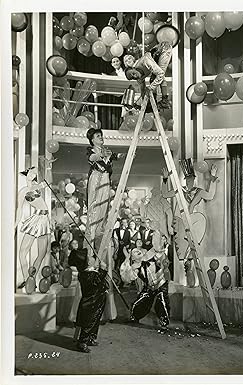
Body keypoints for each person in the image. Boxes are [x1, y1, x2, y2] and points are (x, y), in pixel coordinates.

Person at [161, 160, 218, 278]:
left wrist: (212, 177)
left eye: (191, 178)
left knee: (200, 220)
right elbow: (165, 194)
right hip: (181, 222)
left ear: (194, 179)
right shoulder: (179, 190)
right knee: (182, 251)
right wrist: (165, 180)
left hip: (193, 221)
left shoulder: (199, 192)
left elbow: (211, 195)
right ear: (185, 180)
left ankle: (191, 249)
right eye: (188, 179)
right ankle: (186, 265)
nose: (190, 181)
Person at [84, 128, 124, 268]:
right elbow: (92, 158)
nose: (101, 137)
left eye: (101, 135)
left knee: (103, 213)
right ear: (92, 140)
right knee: (94, 212)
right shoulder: (92, 150)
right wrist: (103, 154)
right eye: (98, 136)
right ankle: (90, 255)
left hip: (106, 180)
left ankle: (99, 256)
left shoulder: (107, 151)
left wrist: (123, 155)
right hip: (97, 179)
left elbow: (115, 156)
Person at [120, 229, 170, 328]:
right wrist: (131, 268)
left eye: (138, 251)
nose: (138, 251)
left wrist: (156, 234)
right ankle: (134, 316)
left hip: (161, 283)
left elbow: (157, 248)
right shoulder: (135, 267)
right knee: (140, 302)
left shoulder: (149, 256)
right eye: (135, 252)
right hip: (149, 286)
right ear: (132, 258)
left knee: (162, 301)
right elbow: (128, 278)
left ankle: (164, 322)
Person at [15, 166, 51, 289]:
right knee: (22, 253)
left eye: (34, 173)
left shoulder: (37, 186)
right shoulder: (23, 191)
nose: (32, 175)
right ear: (27, 174)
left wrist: (49, 167)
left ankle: (32, 280)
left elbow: (48, 182)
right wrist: (15, 224)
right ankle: (26, 279)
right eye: (31, 173)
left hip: (45, 220)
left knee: (42, 253)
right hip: (36, 220)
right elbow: (19, 209)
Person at [68, 247, 108, 353]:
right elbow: (97, 282)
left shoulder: (90, 272)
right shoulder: (88, 275)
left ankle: (91, 338)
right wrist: (103, 270)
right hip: (91, 303)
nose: (93, 257)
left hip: (97, 301)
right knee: (88, 323)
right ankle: (82, 342)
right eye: (90, 258)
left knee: (95, 321)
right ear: (88, 263)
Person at [123, 41, 173, 110]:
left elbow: (160, 74)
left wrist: (151, 88)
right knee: (153, 80)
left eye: (133, 73)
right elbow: (143, 91)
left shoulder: (145, 61)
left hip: (164, 49)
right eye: (132, 78)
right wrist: (139, 104)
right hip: (155, 59)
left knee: (160, 75)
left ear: (134, 68)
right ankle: (154, 102)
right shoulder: (139, 78)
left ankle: (165, 101)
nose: (135, 76)